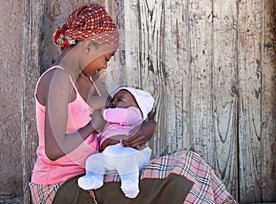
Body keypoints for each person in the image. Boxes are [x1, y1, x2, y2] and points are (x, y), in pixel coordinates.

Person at [29, 3, 237, 204]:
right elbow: (54, 150)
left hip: (98, 173)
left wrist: (148, 127)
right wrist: (93, 125)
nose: (104, 66)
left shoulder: (94, 84)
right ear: (89, 47)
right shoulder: (58, 80)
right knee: (178, 177)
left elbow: (123, 114)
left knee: (190, 162)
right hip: (61, 186)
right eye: (107, 58)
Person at [78, 87, 155, 198]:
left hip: (127, 151)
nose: (114, 104)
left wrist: (104, 112)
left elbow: (122, 115)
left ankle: (130, 184)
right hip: (110, 155)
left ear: (137, 104)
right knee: (93, 160)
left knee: (128, 162)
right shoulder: (113, 123)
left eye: (120, 100)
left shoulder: (135, 114)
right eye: (113, 102)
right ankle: (94, 178)